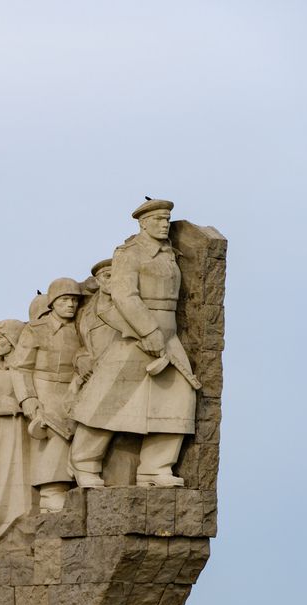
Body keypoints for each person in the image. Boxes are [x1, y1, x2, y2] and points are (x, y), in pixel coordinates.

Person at [70, 199, 200, 488]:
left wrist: (162, 334)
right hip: (136, 332)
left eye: (167, 219)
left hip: (169, 334)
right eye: (158, 219)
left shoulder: (169, 254)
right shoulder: (129, 253)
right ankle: (85, 465)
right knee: (107, 400)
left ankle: (155, 468)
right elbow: (124, 295)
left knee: (178, 400)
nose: (164, 224)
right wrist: (148, 330)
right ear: (142, 223)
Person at [10, 278, 84, 512]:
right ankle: (50, 493)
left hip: (74, 386)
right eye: (64, 300)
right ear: (53, 303)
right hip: (44, 386)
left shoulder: (80, 328)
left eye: (74, 300)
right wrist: (28, 398)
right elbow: (21, 366)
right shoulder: (36, 329)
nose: (70, 305)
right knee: (56, 434)